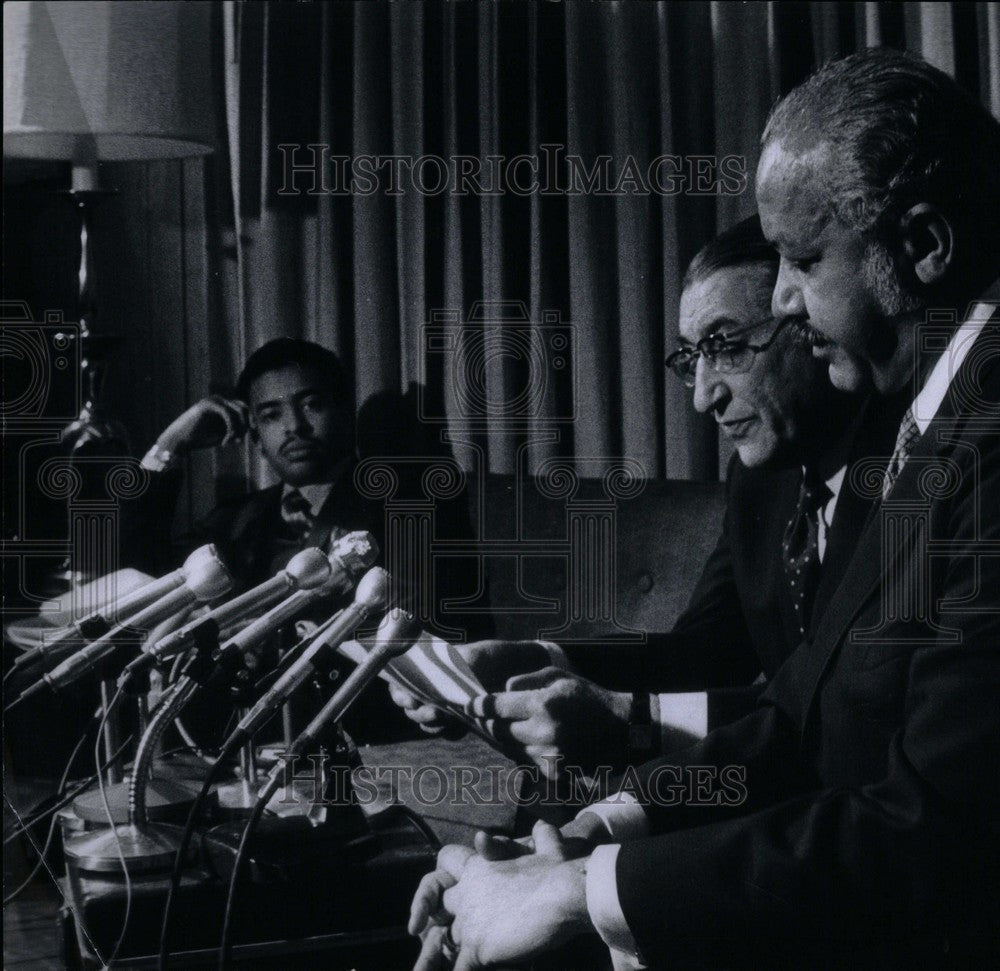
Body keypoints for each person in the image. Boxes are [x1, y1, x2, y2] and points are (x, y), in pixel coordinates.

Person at [409, 47, 1000, 968]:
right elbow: (801, 711)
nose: (785, 301)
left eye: (803, 260)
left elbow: (938, 834)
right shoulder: (943, 416)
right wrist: (589, 835)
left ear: (924, 245)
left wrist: (580, 891)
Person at [392, 215, 889, 779]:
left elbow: (847, 717)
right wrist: (533, 658)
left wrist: (634, 721)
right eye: (690, 358)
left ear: (808, 324)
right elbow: (705, 651)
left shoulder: (907, 478)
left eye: (724, 347)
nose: (704, 397)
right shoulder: (760, 482)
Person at [131, 337, 379, 590]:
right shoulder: (232, 521)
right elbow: (140, 575)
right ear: (257, 437)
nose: (294, 426)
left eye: (311, 404)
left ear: (347, 414)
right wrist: (168, 446)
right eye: (271, 415)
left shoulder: (392, 510)